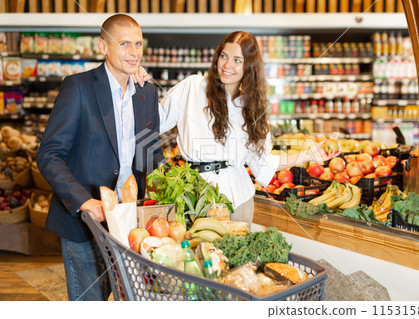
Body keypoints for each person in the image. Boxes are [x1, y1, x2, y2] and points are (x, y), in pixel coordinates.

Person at [36, 14, 163, 301]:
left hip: (131, 221)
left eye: (139, 44)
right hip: (86, 220)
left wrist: (165, 185)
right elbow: (49, 154)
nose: (134, 52)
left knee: (126, 298)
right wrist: (84, 201)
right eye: (125, 43)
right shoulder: (78, 87)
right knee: (89, 301)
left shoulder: (147, 93)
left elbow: (150, 152)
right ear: (103, 47)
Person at [155, 31, 337, 226]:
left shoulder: (252, 108)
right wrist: (140, 85)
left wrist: (308, 155)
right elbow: (153, 121)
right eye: (223, 56)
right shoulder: (192, 87)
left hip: (239, 200)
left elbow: (264, 163)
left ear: (249, 66)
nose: (227, 65)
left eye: (237, 60)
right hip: (194, 195)